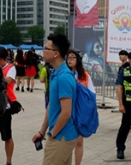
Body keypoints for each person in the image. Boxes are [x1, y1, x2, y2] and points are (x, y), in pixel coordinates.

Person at [32, 33, 77, 165]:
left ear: (56, 53)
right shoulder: (56, 74)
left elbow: (66, 112)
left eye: (46, 48)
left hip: (62, 136)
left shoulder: (64, 77)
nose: (43, 51)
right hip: (60, 135)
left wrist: (52, 134)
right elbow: (51, 105)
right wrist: (42, 131)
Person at [66, 49, 95, 165]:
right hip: (66, 111)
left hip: (80, 113)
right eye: (68, 57)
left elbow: (92, 94)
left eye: (73, 57)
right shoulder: (64, 74)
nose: (70, 60)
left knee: (79, 141)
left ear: (78, 59)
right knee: (67, 141)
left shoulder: (85, 76)